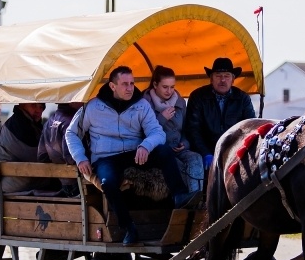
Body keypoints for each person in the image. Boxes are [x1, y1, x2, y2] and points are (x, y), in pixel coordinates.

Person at [66, 65, 201, 246]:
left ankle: (179, 196)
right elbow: (71, 133)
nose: (130, 88)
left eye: (132, 83)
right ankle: (129, 227)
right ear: (113, 86)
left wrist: (146, 145)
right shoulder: (93, 107)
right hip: (106, 157)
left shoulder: (141, 105)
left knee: (163, 150)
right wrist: (80, 157)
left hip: (134, 153)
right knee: (108, 182)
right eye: (125, 84)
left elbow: (157, 133)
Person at [185, 57, 256, 169]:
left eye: (227, 76)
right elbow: (193, 129)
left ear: (233, 79)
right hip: (205, 150)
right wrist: (205, 153)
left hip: (234, 150)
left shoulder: (243, 98)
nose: (222, 80)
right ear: (211, 79)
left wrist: (239, 152)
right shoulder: (198, 97)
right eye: (218, 75)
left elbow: (250, 127)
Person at [142, 65, 204, 193]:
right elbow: (142, 132)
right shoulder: (144, 103)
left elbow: (186, 128)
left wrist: (185, 143)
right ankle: (185, 200)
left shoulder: (180, 102)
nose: (169, 91)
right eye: (165, 87)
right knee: (180, 166)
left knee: (196, 158)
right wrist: (162, 118)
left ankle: (197, 199)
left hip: (178, 147)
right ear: (155, 84)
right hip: (159, 151)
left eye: (172, 87)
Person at [0, 102, 48, 193]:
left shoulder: (28, 123)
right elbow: (36, 155)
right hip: (19, 182)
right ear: (22, 104)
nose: (39, 110)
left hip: (18, 179)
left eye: (41, 107)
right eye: (34, 105)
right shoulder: (19, 125)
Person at [38, 102, 83, 197]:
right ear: (71, 101)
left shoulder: (49, 121)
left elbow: (42, 156)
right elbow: (71, 158)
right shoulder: (72, 121)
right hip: (78, 184)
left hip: (62, 184)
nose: (83, 101)